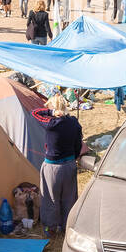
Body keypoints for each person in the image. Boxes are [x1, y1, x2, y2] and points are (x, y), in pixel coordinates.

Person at [38, 93, 81, 236]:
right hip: (69, 164)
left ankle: (50, 228)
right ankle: (67, 226)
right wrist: (73, 159)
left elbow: (35, 113)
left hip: (52, 166)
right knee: (69, 198)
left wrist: (51, 113)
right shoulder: (74, 122)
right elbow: (78, 144)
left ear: (53, 108)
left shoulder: (50, 124)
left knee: (50, 198)